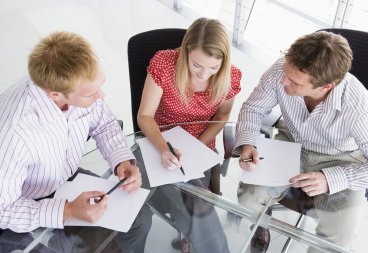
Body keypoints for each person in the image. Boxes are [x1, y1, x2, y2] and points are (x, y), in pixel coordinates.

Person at [0, 31, 151, 252]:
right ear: (55, 95)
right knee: (80, 247)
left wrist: (121, 161)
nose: (101, 96)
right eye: (91, 94)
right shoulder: (15, 133)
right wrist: (67, 211)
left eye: (100, 85)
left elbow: (105, 124)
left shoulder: (76, 84)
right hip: (25, 207)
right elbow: (4, 210)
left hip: (65, 180)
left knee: (139, 219)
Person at [233, 30, 368, 253]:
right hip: (291, 142)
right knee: (248, 198)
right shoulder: (283, 69)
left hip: (340, 159)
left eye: (294, 82)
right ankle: (263, 223)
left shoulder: (358, 107)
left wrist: (334, 178)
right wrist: (248, 143)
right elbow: (253, 109)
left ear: (326, 86)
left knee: (338, 240)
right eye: (286, 72)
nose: (283, 81)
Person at [137, 17, 241, 252]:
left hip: (201, 144)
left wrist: (197, 145)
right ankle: (196, 237)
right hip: (160, 140)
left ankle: (193, 235)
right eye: (197, 65)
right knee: (190, 202)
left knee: (195, 203)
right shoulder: (164, 63)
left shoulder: (231, 75)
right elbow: (144, 116)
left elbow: (222, 115)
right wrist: (164, 148)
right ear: (185, 52)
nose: (204, 74)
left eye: (214, 67)